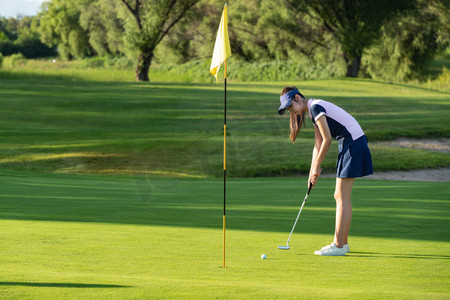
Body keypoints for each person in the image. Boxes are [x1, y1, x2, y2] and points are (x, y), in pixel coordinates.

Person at [277, 86, 373, 256]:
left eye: (290, 107)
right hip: (351, 143)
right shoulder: (314, 111)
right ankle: (343, 244)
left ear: (297, 98)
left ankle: (338, 245)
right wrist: (311, 171)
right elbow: (318, 144)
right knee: (341, 195)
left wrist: (318, 166)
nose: (291, 112)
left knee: (341, 195)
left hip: (353, 143)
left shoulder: (315, 107)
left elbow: (328, 139)